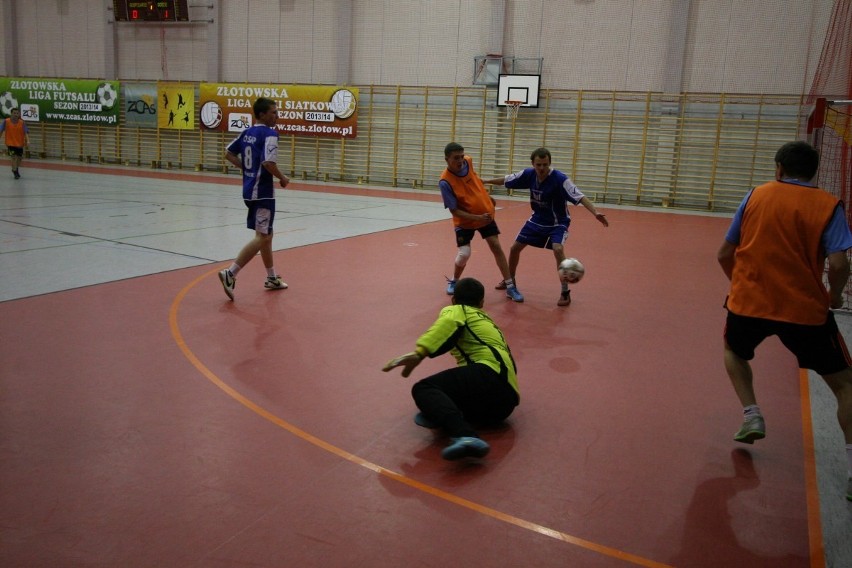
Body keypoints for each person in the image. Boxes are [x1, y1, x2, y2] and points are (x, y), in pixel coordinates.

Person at [717, 140, 852, 502]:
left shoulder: (755, 196)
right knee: (844, 384)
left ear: (778, 168)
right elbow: (839, 265)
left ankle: (752, 414)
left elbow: (725, 253)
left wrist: (740, 284)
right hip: (804, 310)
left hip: (749, 303)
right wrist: (835, 296)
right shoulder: (828, 205)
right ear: (813, 172)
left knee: (734, 351)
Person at [383, 277, 520, 460]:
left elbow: (446, 326)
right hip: (505, 404)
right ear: (481, 303)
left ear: (453, 300)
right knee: (447, 395)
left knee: (425, 388)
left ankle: (466, 436)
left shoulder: (458, 310)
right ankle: (446, 415)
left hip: (488, 375)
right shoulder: (487, 321)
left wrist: (420, 352)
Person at [483, 147, 609, 306]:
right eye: (538, 165)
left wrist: (595, 212)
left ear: (549, 163)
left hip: (558, 222)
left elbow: (580, 196)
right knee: (515, 248)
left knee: (557, 249)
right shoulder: (529, 174)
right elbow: (507, 179)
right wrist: (486, 181)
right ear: (533, 164)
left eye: (545, 164)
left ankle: (565, 292)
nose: (542, 168)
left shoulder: (560, 179)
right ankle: (510, 282)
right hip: (537, 219)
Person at [218, 97, 291, 300]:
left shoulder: (247, 132)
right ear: (261, 114)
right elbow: (268, 163)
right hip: (263, 192)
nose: (277, 115)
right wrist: (283, 178)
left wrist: (246, 169)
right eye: (273, 112)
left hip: (249, 190)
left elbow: (228, 153)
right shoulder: (270, 134)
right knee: (263, 237)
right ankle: (230, 273)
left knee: (267, 234)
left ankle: (271, 277)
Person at [439, 142, 522, 302]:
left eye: (462, 156)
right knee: (464, 254)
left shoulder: (468, 162)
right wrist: (477, 217)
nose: (460, 160)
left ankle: (510, 286)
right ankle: (455, 281)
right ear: (446, 159)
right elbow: (454, 210)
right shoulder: (445, 182)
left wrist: (485, 197)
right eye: (456, 158)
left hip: (486, 216)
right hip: (465, 221)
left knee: (496, 246)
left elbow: (475, 180)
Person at [1, 108, 30, 179]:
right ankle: (15, 172)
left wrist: (28, 140)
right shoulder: (6, 121)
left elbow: (26, 132)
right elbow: (1, 130)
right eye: (14, 113)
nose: (16, 115)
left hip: (19, 143)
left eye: (17, 113)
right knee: (13, 157)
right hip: (10, 143)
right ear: (11, 113)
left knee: (19, 158)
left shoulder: (22, 122)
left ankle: (15, 169)